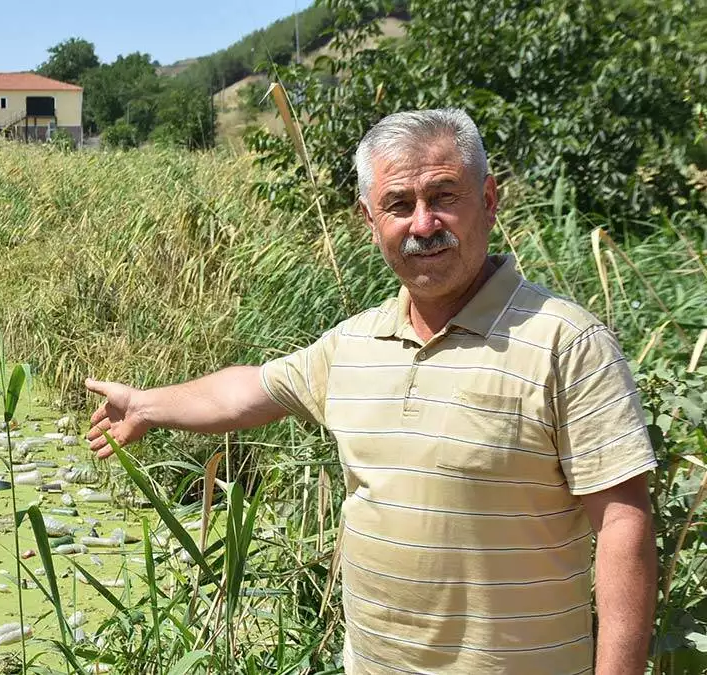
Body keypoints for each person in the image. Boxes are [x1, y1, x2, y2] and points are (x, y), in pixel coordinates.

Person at [84, 109, 657, 674]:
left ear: (488, 200)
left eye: (444, 197)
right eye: (399, 205)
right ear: (369, 218)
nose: (423, 224)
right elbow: (247, 391)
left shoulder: (567, 343)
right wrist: (146, 404)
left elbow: (624, 525)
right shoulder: (354, 343)